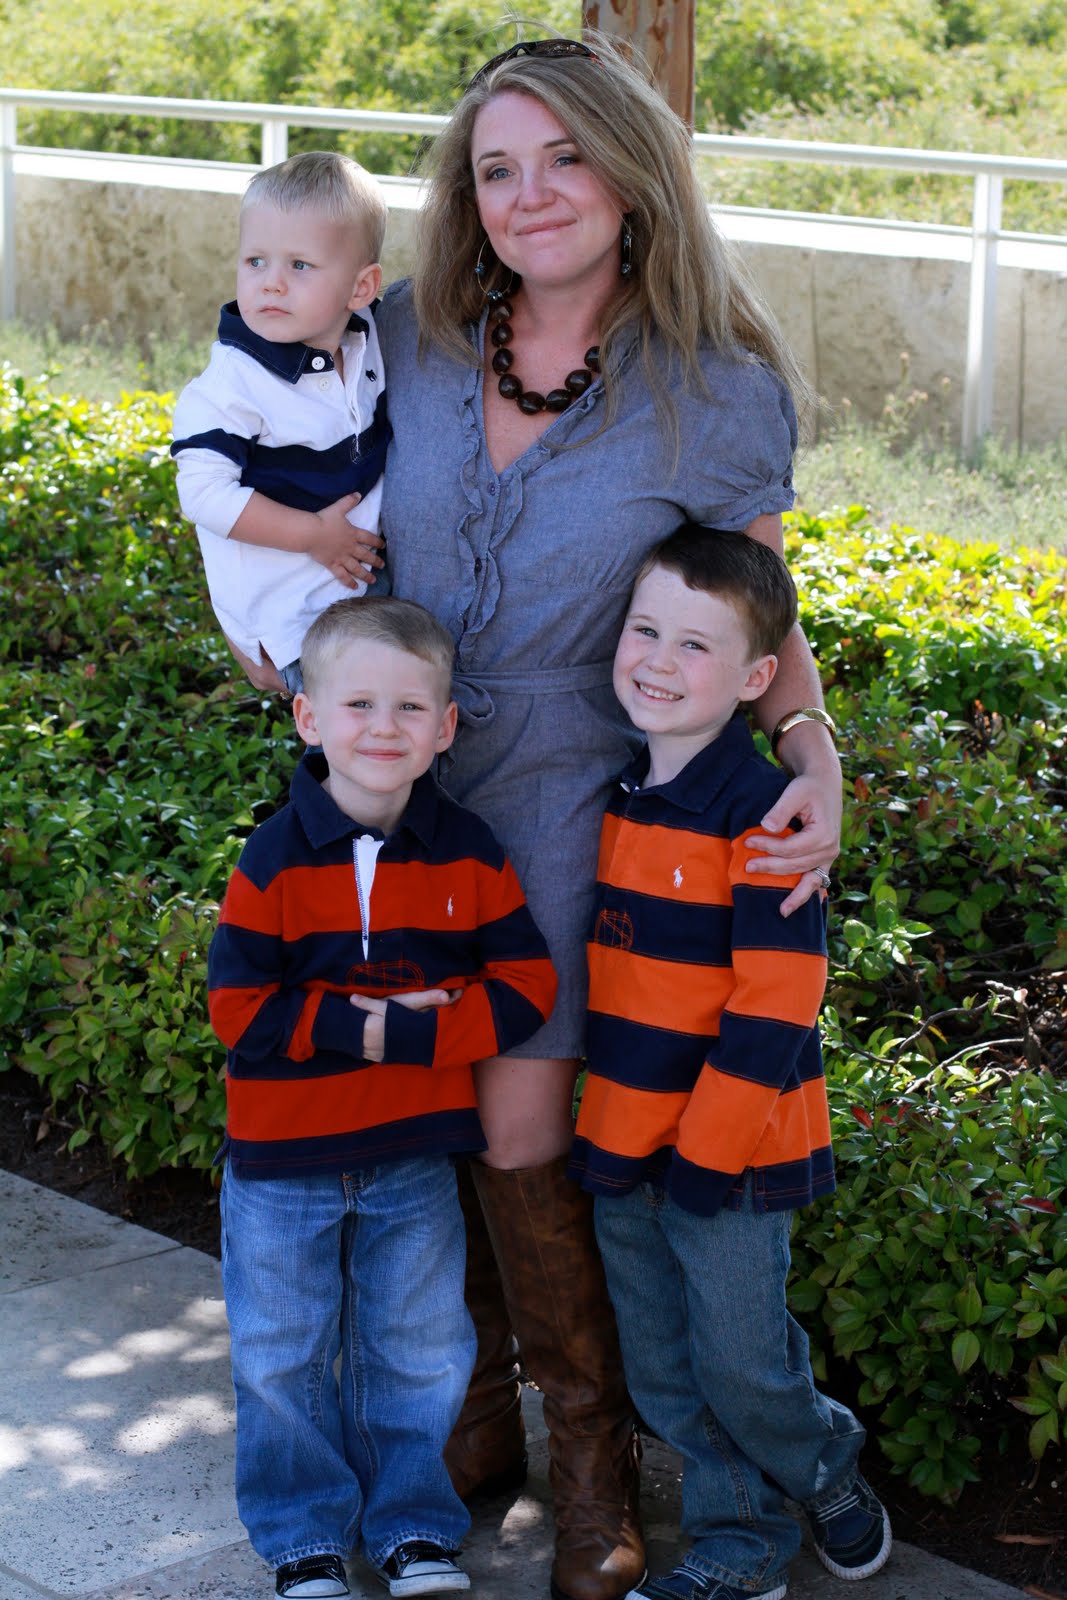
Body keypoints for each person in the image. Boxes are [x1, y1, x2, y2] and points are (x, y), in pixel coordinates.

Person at [234, 36, 843, 1600]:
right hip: (391, 793)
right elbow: (257, 458)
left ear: (632, 174)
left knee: (519, 1124)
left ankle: (589, 1457)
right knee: (412, 1091)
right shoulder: (408, 338)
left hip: (580, 813)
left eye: (565, 157)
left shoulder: (712, 387)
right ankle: (471, 1422)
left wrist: (811, 750)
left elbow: (756, 610)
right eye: (495, 168)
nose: (530, 194)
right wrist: (274, 623)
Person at [207, 595, 558, 1600]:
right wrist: (372, 1027)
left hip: (411, 1154)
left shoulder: (468, 850)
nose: (382, 727)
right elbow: (239, 1009)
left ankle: (411, 1527)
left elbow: (526, 986)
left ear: (444, 727)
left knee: (419, 1350)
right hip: (282, 1161)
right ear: (308, 716)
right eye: (357, 703)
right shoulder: (273, 856)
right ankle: (303, 1538)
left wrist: (417, 1035)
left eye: (409, 707)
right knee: (280, 1355)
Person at [568, 527, 890, 1600]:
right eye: (644, 630)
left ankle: (822, 1466)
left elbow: (776, 1003)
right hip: (623, 1136)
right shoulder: (616, 796)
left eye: (694, 645)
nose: (657, 660)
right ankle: (739, 1541)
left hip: (733, 1153)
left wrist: (704, 1153)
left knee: (743, 1363)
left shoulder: (765, 814)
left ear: (757, 678)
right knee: (662, 1365)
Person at [172, 151, 389, 696]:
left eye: (299, 265)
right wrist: (312, 535)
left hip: (357, 594)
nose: (270, 283)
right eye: (255, 261)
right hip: (288, 619)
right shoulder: (234, 382)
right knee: (355, 723)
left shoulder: (367, 337)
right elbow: (201, 493)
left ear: (360, 289)